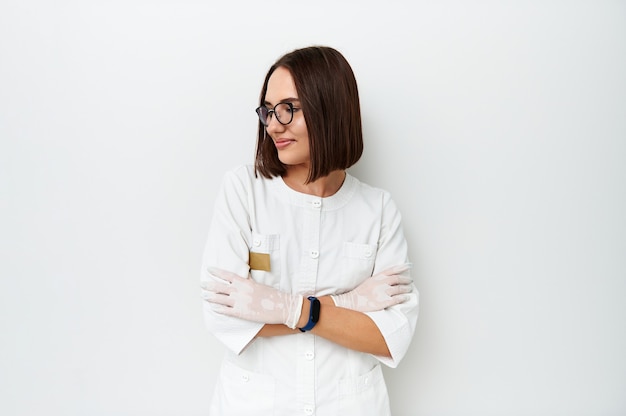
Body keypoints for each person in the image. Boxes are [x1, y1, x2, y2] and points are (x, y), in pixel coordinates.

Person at [200, 45, 418, 416]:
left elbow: (389, 336)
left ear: (329, 106)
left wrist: (284, 308)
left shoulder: (378, 210)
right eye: (268, 111)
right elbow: (224, 315)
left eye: (288, 108)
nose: (273, 124)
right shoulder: (244, 191)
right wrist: (349, 304)